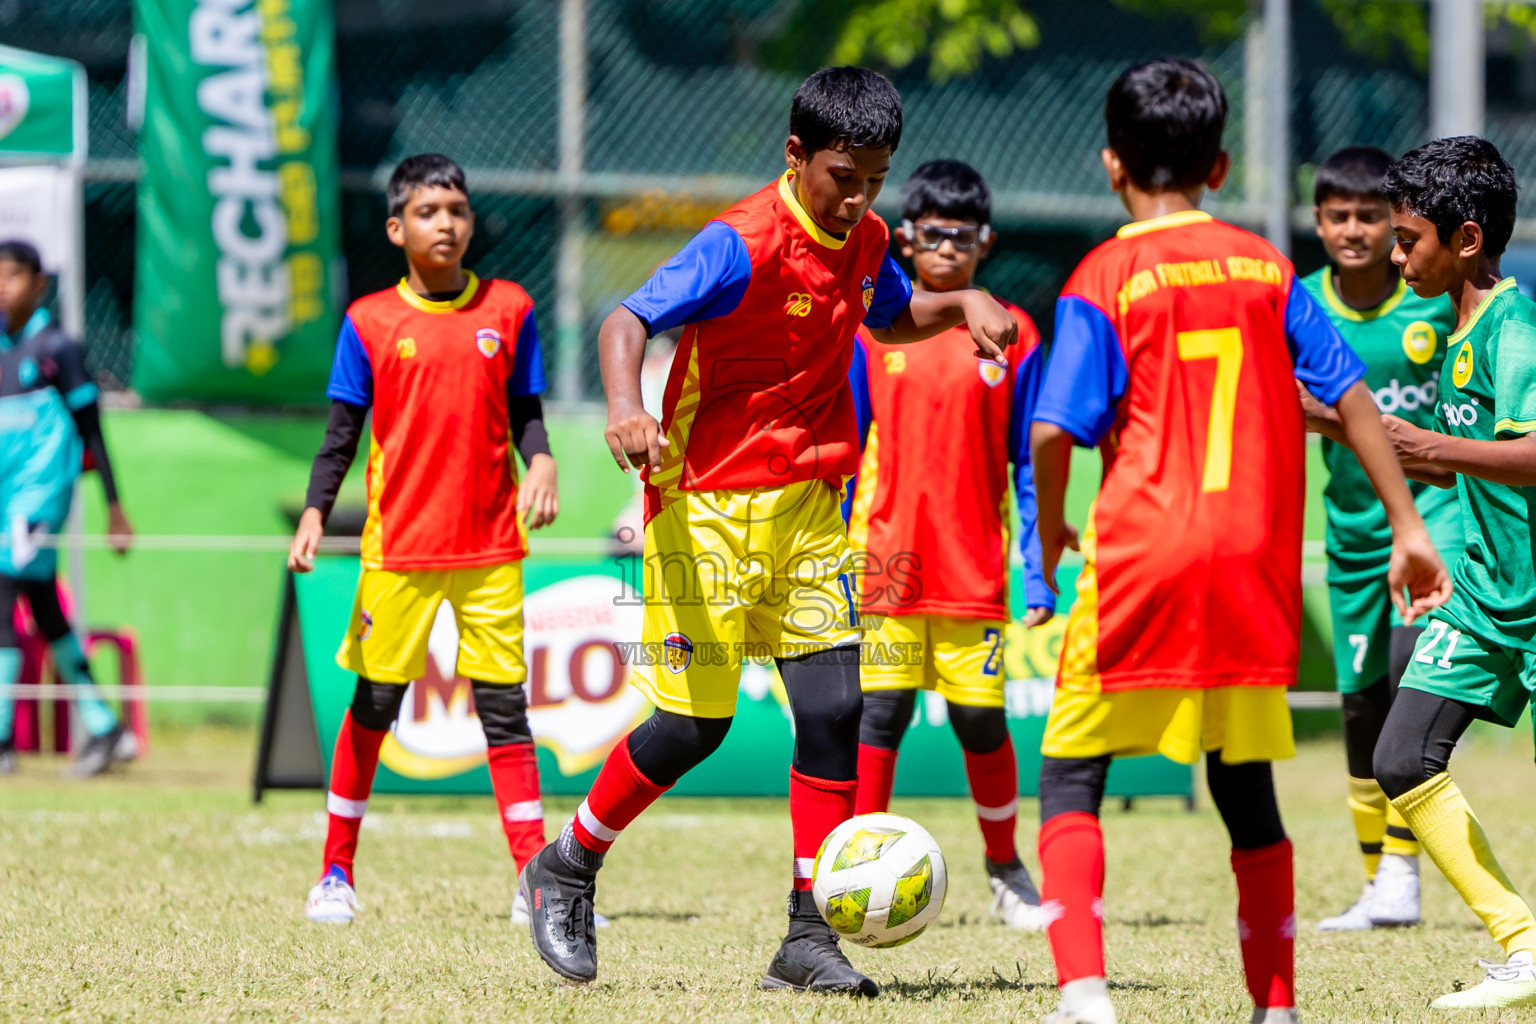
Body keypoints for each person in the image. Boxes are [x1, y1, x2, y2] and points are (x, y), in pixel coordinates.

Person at [518, 66, 1018, 996]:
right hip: (704, 509)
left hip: (809, 510)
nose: (860, 195)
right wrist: (628, 408)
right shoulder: (739, 241)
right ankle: (568, 863)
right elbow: (627, 320)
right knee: (692, 727)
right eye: (843, 175)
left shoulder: (866, 237)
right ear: (797, 156)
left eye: (875, 177)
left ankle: (806, 939)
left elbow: (889, 315)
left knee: (833, 713)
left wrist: (957, 307)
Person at [1028, 59, 1451, 1024]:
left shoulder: (1106, 273)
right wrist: (1407, 522)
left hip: (1142, 553)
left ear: (1109, 165)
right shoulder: (1266, 267)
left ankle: (1086, 996)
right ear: (1221, 167)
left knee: (1070, 771)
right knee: (1243, 782)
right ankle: (1277, 1007)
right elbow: (1349, 396)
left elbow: (1053, 430)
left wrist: (1052, 524)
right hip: (1254, 559)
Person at [289, 154, 560, 926]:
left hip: (490, 552)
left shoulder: (509, 307)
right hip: (400, 552)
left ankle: (533, 883)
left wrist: (539, 459)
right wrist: (315, 511)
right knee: (374, 704)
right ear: (396, 227)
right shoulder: (370, 321)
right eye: (430, 211)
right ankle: (335, 874)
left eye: (458, 210)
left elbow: (527, 411)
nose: (447, 223)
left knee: (506, 712)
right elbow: (341, 436)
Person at [845, 158, 1051, 930]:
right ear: (904, 238)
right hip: (886, 567)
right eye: (933, 236)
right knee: (881, 716)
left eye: (962, 238)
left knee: (979, 722)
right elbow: (849, 446)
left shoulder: (1011, 331)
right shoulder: (877, 329)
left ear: (985, 242)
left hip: (972, 570)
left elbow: (1028, 461)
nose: (947, 250)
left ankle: (1006, 870)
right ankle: (857, 858)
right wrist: (834, 555)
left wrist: (1037, 571)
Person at [1369, 136, 1536, 1010]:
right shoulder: (1459, 328)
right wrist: (1325, 418)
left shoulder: (1519, 329)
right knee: (1400, 755)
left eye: (1408, 240)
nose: (1396, 256)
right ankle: (1523, 944)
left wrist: (1427, 444)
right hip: (1483, 598)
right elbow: (1451, 463)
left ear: (1465, 240)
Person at [1295, 147, 1461, 932]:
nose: (1355, 231)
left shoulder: (1435, 301)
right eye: (1339, 216)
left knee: (1404, 682)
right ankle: (1382, 885)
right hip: (1350, 535)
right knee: (1360, 707)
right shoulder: (1299, 304)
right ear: (1319, 222)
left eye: (1370, 216)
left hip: (1434, 530)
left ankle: (1403, 872)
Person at [0, 240, 135, 779]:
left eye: (11, 276)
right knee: (43, 607)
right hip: (5, 499)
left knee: (3, 587)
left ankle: (2, 739)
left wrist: (115, 507)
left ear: (40, 284)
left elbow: (92, 431)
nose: (2, 286)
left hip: (38, 501)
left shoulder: (58, 348)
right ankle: (104, 728)